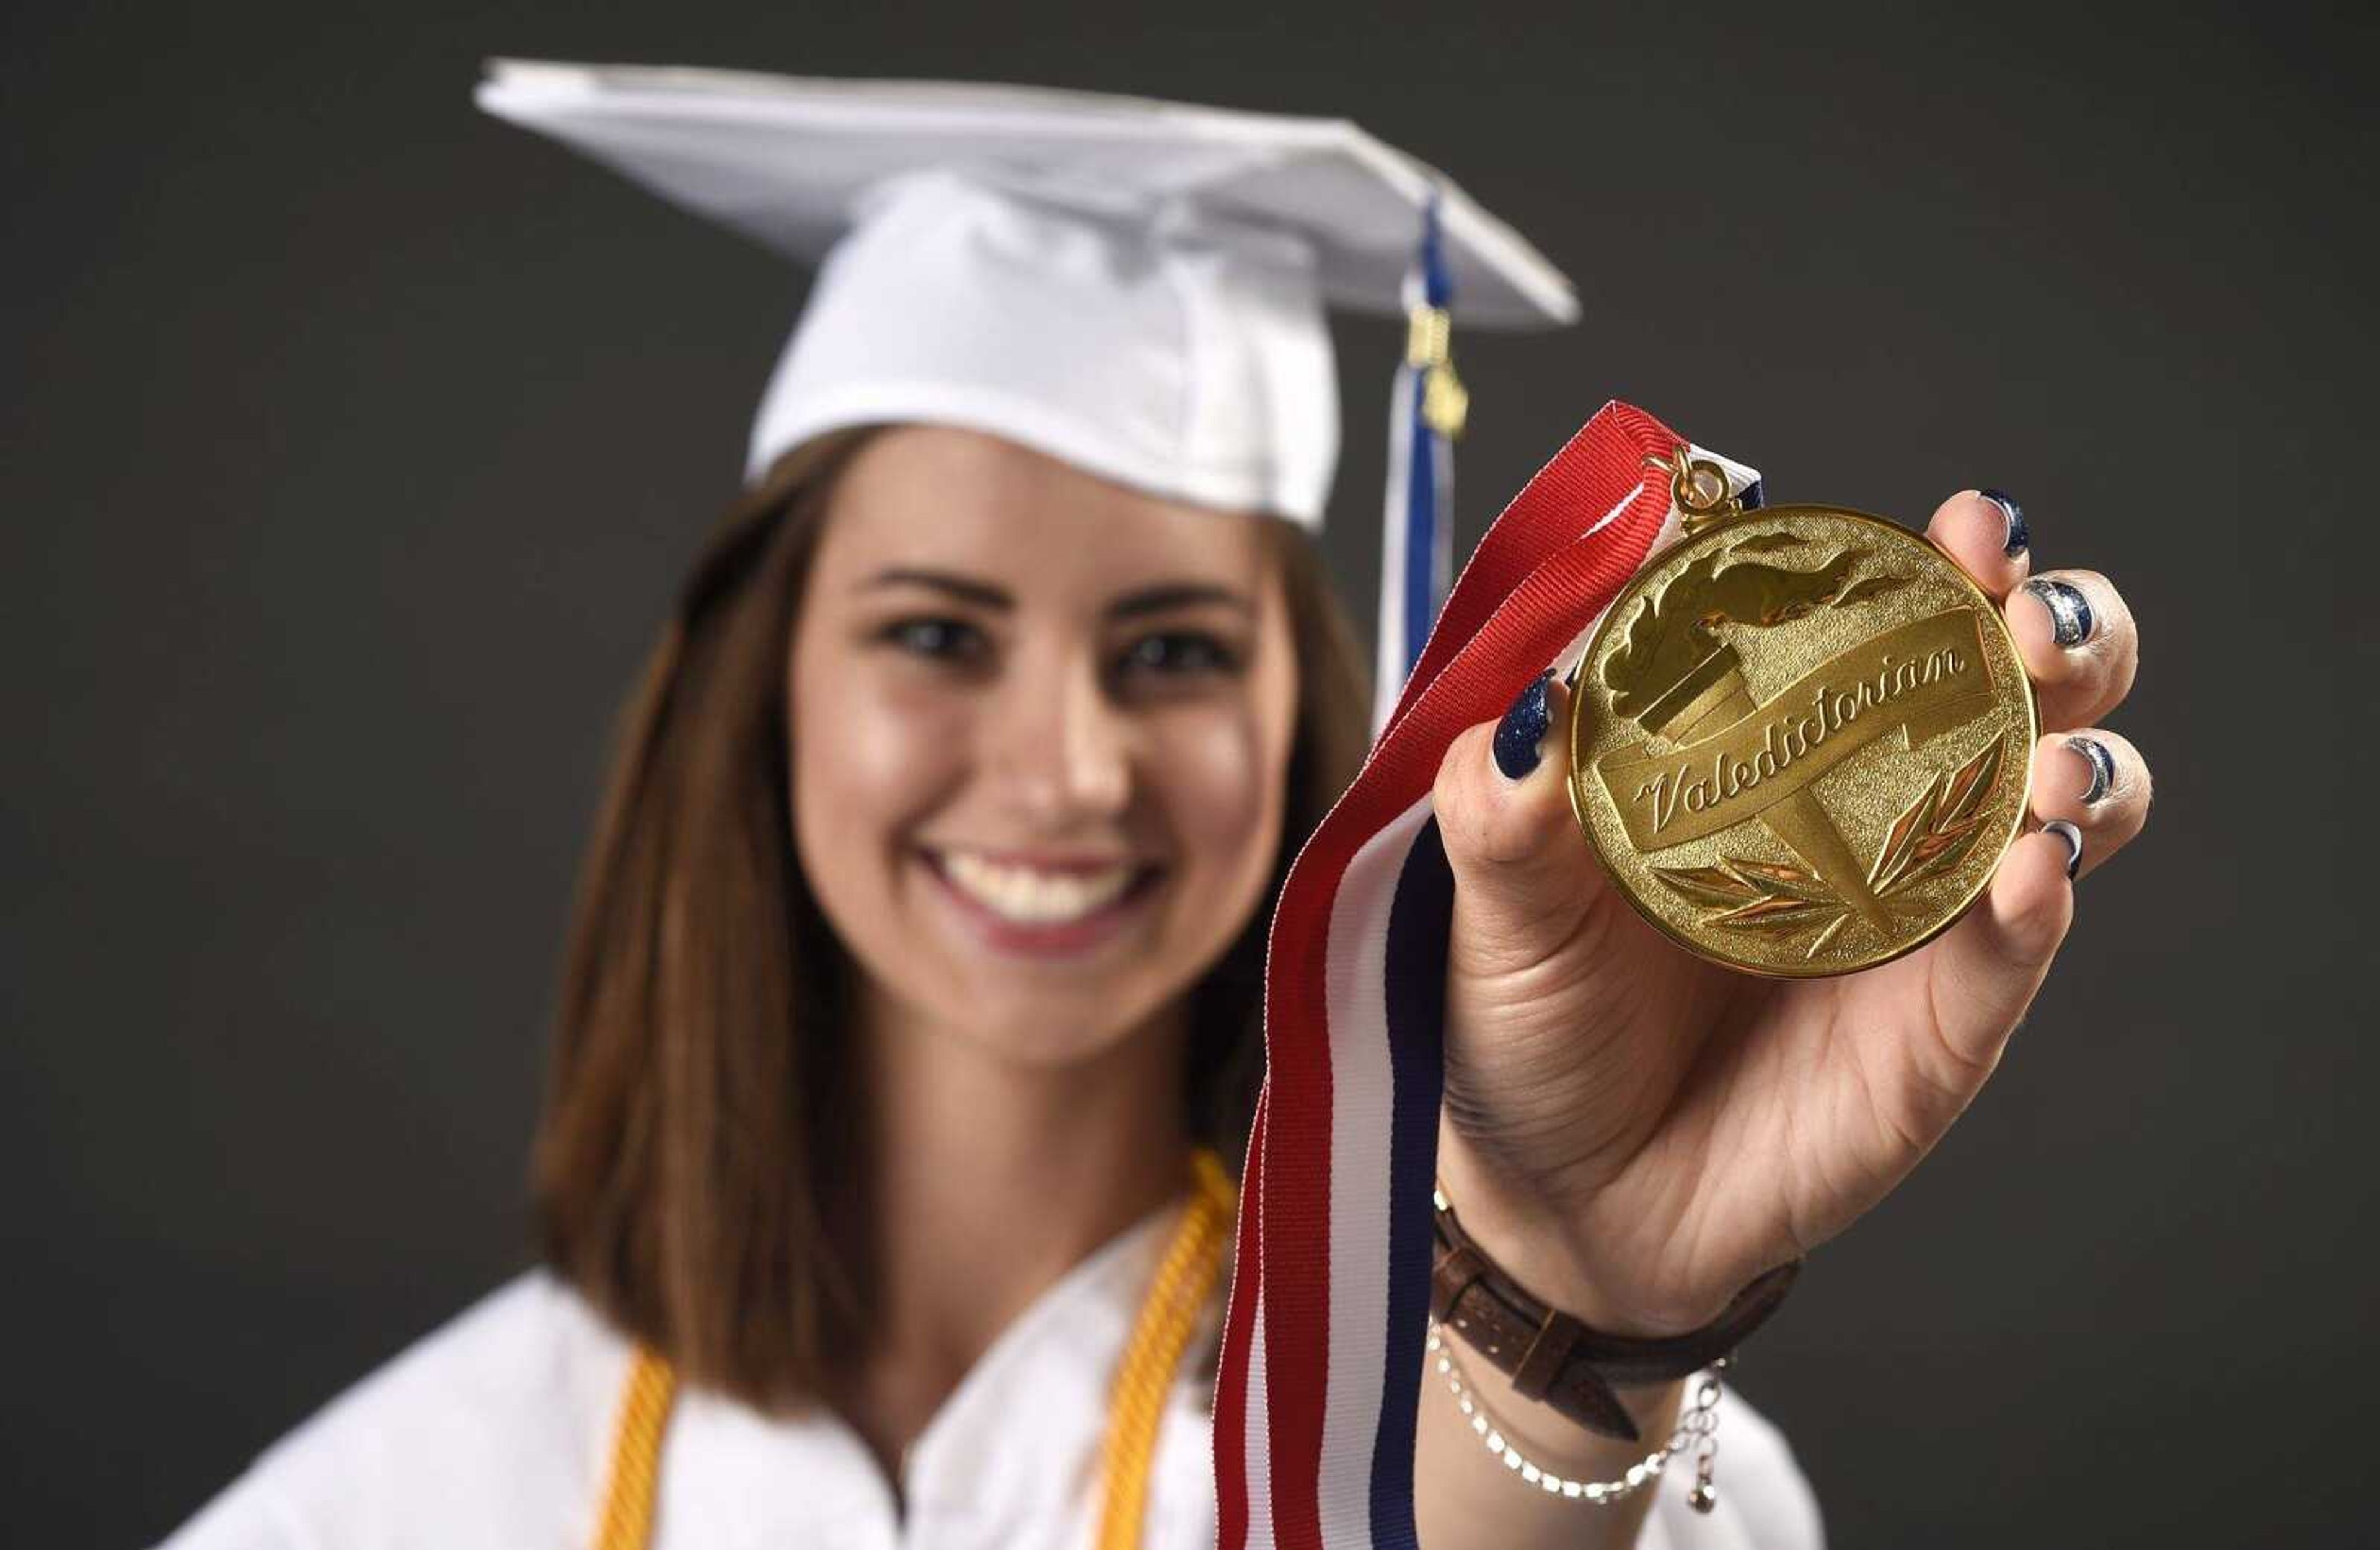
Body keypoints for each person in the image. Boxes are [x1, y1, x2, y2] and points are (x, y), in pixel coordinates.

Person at [161, 61, 2151, 1550]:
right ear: (756, 698)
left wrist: (1580, 1304)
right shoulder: (392, 1496)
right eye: (937, 636)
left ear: (1316, 711)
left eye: (1178, 650)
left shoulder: (1572, 1469)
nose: (1069, 768)